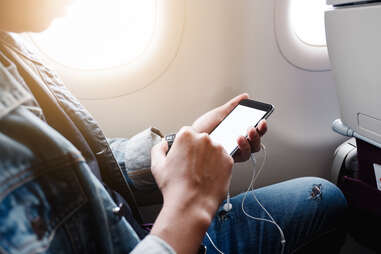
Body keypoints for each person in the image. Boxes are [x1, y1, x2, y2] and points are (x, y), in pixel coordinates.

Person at [0, 1, 347, 253]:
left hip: (134, 232)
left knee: (321, 197)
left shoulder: (11, 47)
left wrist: (177, 148)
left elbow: (87, 170)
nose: (64, 9)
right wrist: (188, 204)